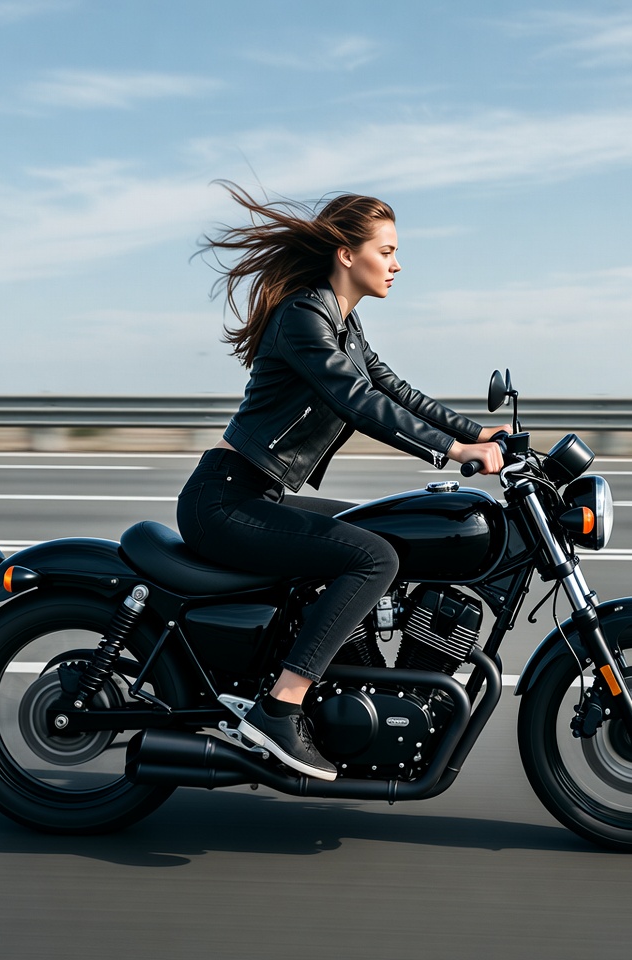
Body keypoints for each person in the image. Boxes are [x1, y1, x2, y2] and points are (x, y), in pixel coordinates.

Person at [178, 182, 509, 781]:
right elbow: (357, 400)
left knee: (376, 531)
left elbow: (395, 391)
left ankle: (345, 677)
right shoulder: (303, 317)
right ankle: (280, 708)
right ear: (347, 254)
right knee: (373, 557)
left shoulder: (344, 325)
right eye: (387, 251)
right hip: (224, 500)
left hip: (256, 494)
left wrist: (481, 433)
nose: (397, 264)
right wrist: (454, 451)